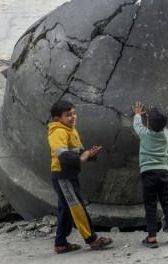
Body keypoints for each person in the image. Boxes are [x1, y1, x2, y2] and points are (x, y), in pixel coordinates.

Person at [48, 100, 113, 254]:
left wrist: (90, 155)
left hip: (70, 175)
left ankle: (60, 243)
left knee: (66, 209)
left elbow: (80, 152)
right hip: (63, 176)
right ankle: (92, 239)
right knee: (77, 207)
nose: (73, 117)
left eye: (74, 113)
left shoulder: (72, 130)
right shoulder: (58, 132)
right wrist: (82, 158)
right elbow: (62, 155)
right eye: (68, 115)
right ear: (58, 119)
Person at [132, 102, 168, 248]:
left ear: (148, 123)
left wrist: (137, 114)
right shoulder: (166, 134)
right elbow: (160, 125)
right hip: (163, 172)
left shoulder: (145, 134)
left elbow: (137, 126)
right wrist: (156, 114)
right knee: (167, 202)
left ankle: (152, 236)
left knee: (150, 205)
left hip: (148, 173)